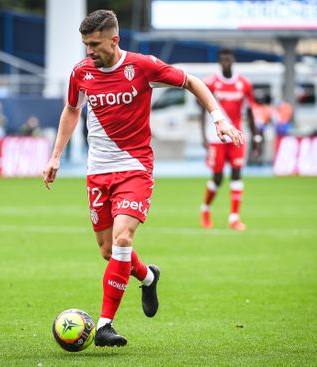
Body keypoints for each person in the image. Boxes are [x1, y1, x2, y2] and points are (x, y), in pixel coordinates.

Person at [42, 10, 243, 347]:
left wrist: (218, 119)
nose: (89, 52)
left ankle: (105, 324)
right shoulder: (81, 72)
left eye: (94, 44)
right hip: (98, 171)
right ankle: (148, 277)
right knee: (108, 250)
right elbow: (72, 110)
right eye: (85, 45)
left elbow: (193, 81)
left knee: (122, 239)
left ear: (114, 40)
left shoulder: (142, 66)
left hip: (135, 167)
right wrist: (55, 155)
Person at [199, 48, 260, 231]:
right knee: (217, 178)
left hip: (237, 136)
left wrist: (256, 135)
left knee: (236, 174)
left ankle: (234, 218)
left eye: (229, 58)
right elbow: (202, 111)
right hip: (215, 137)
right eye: (223, 59)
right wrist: (203, 136)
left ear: (233, 60)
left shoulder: (244, 84)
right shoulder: (210, 83)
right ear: (220, 61)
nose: (226, 61)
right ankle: (205, 209)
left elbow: (250, 111)